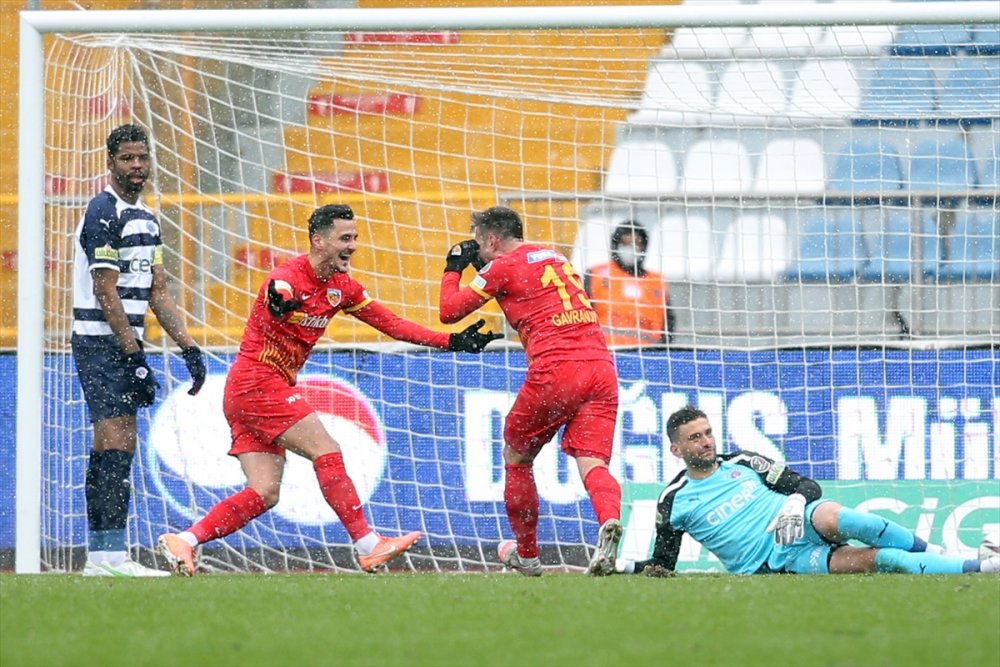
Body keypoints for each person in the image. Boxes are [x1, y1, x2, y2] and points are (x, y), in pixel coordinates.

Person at [157, 204, 501, 575]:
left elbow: (394, 326)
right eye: (345, 238)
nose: (352, 246)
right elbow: (279, 291)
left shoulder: (343, 287)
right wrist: (281, 303)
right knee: (327, 449)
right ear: (318, 241)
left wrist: (451, 341)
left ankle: (185, 540)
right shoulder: (288, 276)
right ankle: (368, 545)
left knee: (265, 492)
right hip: (258, 382)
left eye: (354, 238)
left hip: (251, 390)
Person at [438, 205, 623, 576]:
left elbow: (449, 311)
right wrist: (484, 270)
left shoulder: (501, 267)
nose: (478, 251)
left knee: (517, 455)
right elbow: (524, 285)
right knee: (593, 461)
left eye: (479, 244)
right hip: (601, 369)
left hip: (557, 370)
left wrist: (454, 267)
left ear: (491, 239)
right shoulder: (554, 256)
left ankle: (528, 555)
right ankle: (609, 522)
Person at [617, 405, 1000, 577]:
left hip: (798, 522)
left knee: (844, 517)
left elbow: (806, 485)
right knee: (883, 561)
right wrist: (618, 566)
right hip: (775, 564)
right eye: (694, 438)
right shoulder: (674, 500)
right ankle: (982, 568)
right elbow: (662, 563)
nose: (705, 442)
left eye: (708, 433)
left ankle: (942, 554)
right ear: (676, 449)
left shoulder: (743, 462)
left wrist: (794, 503)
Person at [72, 124, 207, 577]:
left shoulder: (147, 219)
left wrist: (189, 348)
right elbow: (105, 289)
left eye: (142, 158)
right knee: (112, 441)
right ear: (110, 162)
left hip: (125, 345)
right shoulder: (102, 212)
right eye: (128, 158)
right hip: (98, 343)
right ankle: (104, 558)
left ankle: (108, 554)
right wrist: (133, 355)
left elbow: (159, 291)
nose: (137, 167)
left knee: (121, 443)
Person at [584, 220, 672, 347]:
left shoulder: (657, 282)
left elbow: (668, 326)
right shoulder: (596, 275)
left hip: (648, 358)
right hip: (607, 354)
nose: (631, 248)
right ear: (616, 244)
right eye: (625, 243)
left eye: (637, 243)